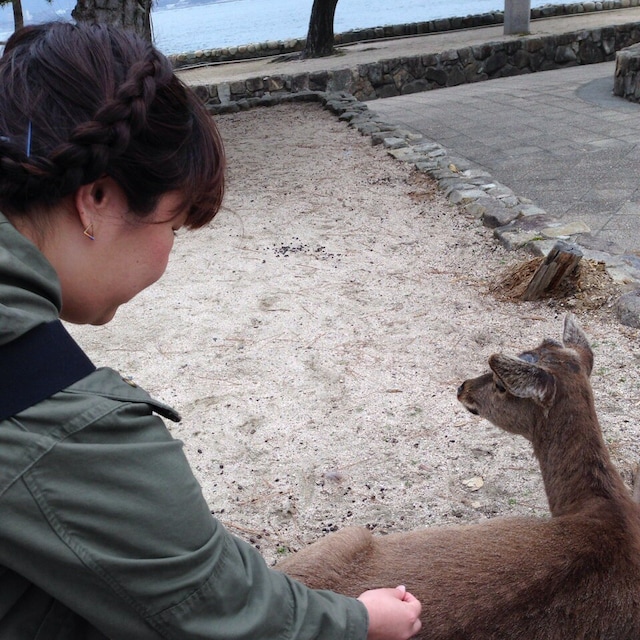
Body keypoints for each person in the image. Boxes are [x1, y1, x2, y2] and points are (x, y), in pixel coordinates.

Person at [0, 22, 422, 639]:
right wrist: (360, 621)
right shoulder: (51, 411)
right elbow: (213, 605)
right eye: (173, 226)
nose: (168, 254)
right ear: (96, 198)